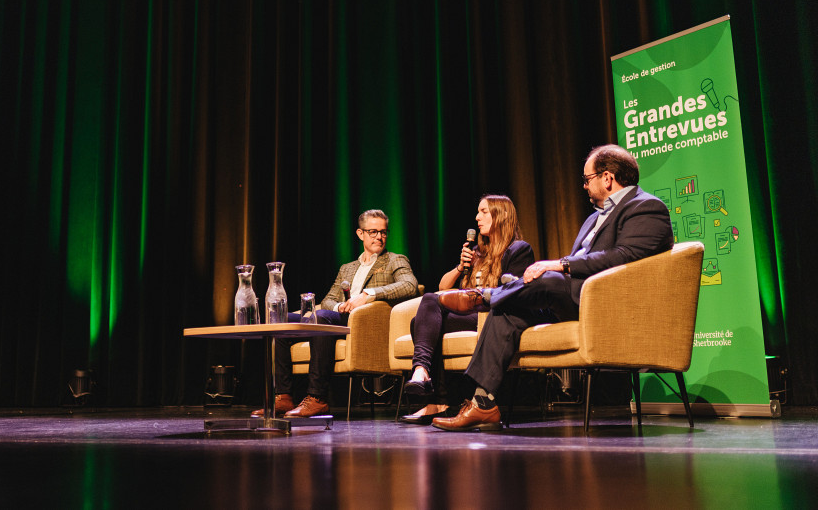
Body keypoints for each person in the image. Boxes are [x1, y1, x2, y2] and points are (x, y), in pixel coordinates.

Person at [432, 144, 672, 431]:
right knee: (508, 309)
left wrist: (561, 264)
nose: (584, 186)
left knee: (548, 277)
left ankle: (485, 296)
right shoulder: (594, 218)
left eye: (587, 179)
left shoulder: (646, 207)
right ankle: (483, 403)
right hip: (572, 300)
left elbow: (624, 256)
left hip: (606, 303)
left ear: (607, 178)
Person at [253, 209, 420, 418]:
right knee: (282, 320)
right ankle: (283, 396)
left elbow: (410, 286)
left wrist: (368, 295)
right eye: (373, 232)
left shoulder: (395, 260)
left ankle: (317, 398)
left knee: (322, 318)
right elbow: (328, 300)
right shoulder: (347, 268)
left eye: (383, 232)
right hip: (340, 316)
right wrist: (339, 307)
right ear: (360, 234)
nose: (379, 237)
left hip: (365, 322)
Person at [399, 194, 534, 424]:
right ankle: (426, 379)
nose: (477, 217)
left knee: (424, 320)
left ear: (501, 215)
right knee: (424, 313)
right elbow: (443, 288)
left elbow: (514, 292)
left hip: (491, 314)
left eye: (484, 212)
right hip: (468, 313)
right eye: (478, 212)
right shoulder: (477, 253)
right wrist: (461, 267)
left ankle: (435, 395)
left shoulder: (518, 249)